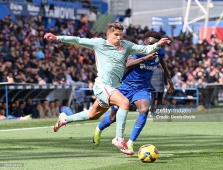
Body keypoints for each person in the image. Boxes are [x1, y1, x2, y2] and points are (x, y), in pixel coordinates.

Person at [44, 22, 170, 155]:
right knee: (124, 103)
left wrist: (158, 44)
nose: (119, 37)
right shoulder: (99, 43)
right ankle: (119, 139)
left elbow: (144, 49)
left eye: (120, 35)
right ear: (108, 34)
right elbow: (77, 40)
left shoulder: (126, 45)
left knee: (92, 115)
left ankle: (64, 119)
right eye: (116, 34)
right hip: (102, 86)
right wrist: (57, 38)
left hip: (115, 87)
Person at [92, 31, 174, 154]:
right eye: (150, 43)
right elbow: (129, 64)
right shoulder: (137, 50)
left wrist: (169, 80)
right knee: (113, 118)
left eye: (155, 44)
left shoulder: (160, 52)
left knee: (144, 110)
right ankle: (98, 129)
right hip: (125, 87)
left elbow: (162, 62)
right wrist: (145, 57)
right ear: (145, 41)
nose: (151, 46)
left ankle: (130, 143)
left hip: (142, 88)